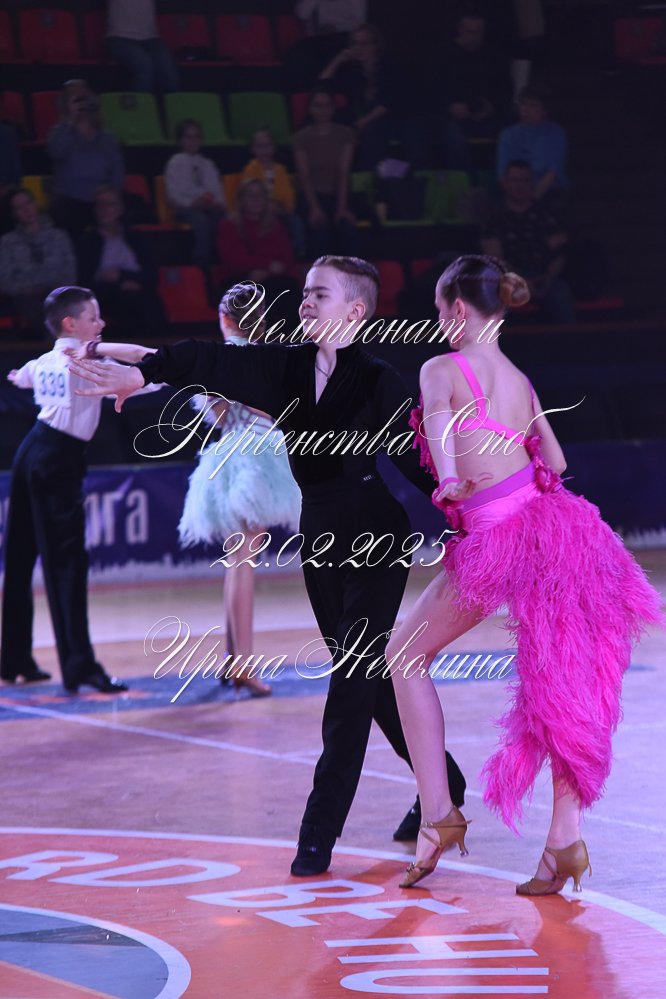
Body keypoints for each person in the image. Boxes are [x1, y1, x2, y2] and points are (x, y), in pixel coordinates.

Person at [67, 254, 467, 876]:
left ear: (355, 310)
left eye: (320, 294)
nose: (305, 301)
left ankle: (318, 832)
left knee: (351, 681)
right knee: (366, 681)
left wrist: (469, 516)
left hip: (377, 539)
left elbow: (420, 465)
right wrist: (143, 372)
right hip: (321, 538)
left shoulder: (382, 381)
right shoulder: (287, 367)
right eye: (304, 292)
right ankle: (447, 783)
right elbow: (210, 360)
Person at [384, 254, 662, 893]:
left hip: (500, 541)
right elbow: (555, 462)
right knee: (562, 680)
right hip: (559, 530)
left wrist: (449, 478)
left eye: (438, 310)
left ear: (457, 309)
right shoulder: (520, 379)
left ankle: (438, 815)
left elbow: (436, 425)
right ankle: (564, 840)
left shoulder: (441, 368)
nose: (438, 321)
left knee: (404, 656)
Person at [0, 286, 160, 693]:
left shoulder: (45, 360)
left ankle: (14, 659)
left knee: (19, 556)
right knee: (67, 564)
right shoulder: (89, 362)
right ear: (71, 324)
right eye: (94, 317)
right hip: (58, 459)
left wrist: (20, 377)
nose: (101, 323)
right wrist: (175, 374)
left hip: (30, 451)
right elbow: (149, 376)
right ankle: (79, 666)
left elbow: (21, 377)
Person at [178, 282, 302, 698]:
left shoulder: (224, 358)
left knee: (239, 559)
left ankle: (236, 660)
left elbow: (218, 416)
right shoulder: (269, 357)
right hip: (259, 456)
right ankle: (240, 663)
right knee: (242, 560)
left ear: (224, 318)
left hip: (240, 456)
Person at [481, 159, 575, 323]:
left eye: (525, 180)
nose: (520, 186)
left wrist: (547, 280)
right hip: (507, 280)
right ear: (505, 183)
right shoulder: (494, 218)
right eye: (515, 180)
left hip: (544, 277)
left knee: (561, 295)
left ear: (532, 183)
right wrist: (521, 282)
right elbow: (495, 259)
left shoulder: (547, 216)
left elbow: (559, 254)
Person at [77, 185, 166, 338]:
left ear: (120, 209)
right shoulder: (88, 242)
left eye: (109, 204)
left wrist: (123, 276)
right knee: (127, 306)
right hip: (105, 293)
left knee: (150, 305)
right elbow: (84, 281)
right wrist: (118, 283)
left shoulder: (137, 238)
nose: (103, 209)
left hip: (139, 288)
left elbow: (151, 275)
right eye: (99, 205)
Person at [48, 80, 124, 239]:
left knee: (119, 215)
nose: (81, 103)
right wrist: (69, 121)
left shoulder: (107, 139)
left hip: (101, 200)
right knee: (65, 214)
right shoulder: (60, 132)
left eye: (83, 97)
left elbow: (117, 174)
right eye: (75, 99)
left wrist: (111, 199)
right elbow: (56, 152)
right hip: (70, 200)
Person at [0, 189, 77, 338]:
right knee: (36, 306)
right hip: (25, 297)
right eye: (19, 207)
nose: (26, 210)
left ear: (36, 204)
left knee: (63, 304)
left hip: (58, 294)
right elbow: (5, 280)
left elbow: (70, 273)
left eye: (28, 203)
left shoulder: (59, 236)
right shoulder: (6, 242)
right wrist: (27, 289)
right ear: (14, 213)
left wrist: (56, 287)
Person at [292, 89, 359, 258]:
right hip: (312, 197)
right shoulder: (301, 138)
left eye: (327, 105)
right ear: (310, 109)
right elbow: (305, 176)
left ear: (333, 108)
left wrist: (341, 207)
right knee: (319, 235)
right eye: (318, 106)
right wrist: (314, 208)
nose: (323, 110)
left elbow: (343, 172)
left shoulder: (345, 134)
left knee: (347, 232)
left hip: (339, 195)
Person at [164, 119, 226, 267]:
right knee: (202, 221)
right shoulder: (175, 163)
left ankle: (225, 260)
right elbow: (173, 195)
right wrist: (194, 203)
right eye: (189, 137)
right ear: (181, 140)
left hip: (208, 205)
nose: (193, 141)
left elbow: (217, 190)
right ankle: (202, 262)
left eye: (196, 136)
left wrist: (215, 202)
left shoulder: (208, 164)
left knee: (225, 219)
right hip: (185, 207)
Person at [497, 85, 568, 205]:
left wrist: (531, 202)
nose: (526, 109)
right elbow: (502, 174)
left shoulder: (556, 133)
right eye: (523, 104)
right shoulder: (507, 135)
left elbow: (552, 173)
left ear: (544, 110)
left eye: (533, 105)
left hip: (549, 192)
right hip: (515, 193)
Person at [239, 129, 306, 257]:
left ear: (273, 147)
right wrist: (266, 205)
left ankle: (297, 252)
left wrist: (283, 206)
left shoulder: (280, 170)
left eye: (267, 145)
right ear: (253, 149)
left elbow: (288, 195)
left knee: (295, 221)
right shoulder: (250, 170)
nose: (264, 150)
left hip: (280, 209)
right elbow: (249, 193)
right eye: (260, 146)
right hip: (259, 210)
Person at [105, 0, 179, 93]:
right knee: (145, 66)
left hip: (151, 38)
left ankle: (166, 102)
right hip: (120, 38)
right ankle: (139, 102)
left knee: (168, 71)